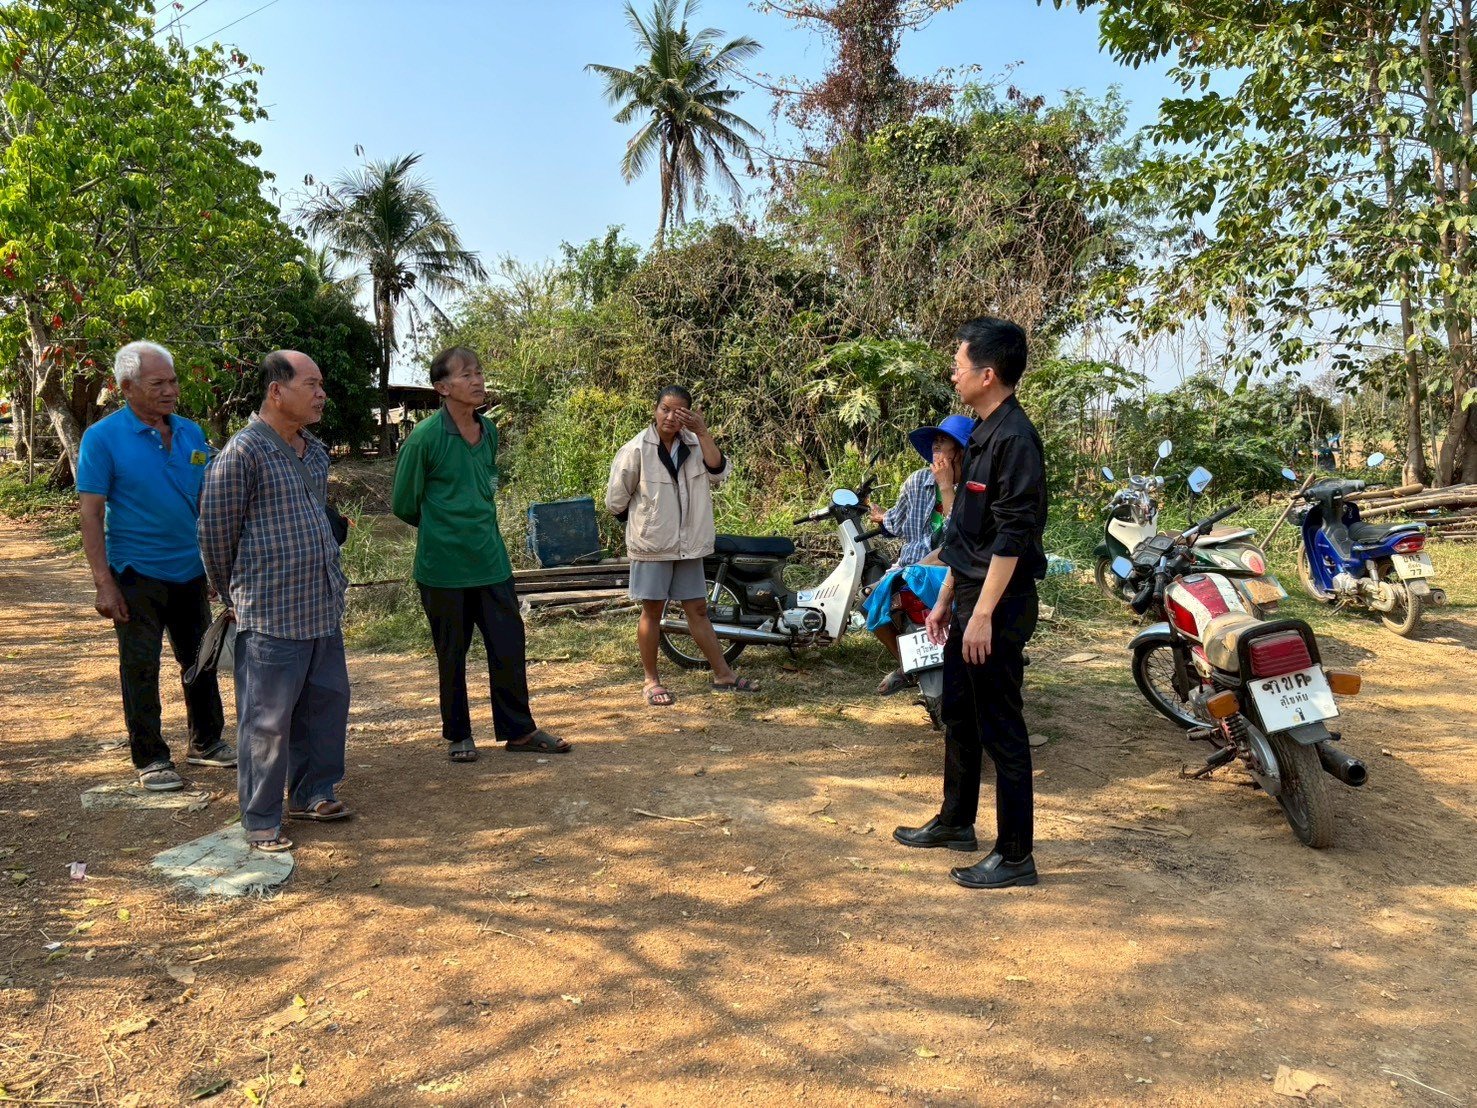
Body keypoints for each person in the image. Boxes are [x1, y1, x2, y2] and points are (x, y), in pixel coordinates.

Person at [893, 316, 1048, 890]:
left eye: (959, 364)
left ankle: (1015, 855)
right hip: (967, 601)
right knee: (959, 711)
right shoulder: (981, 433)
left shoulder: (1015, 440)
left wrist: (981, 613)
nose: (952, 373)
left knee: (1002, 726)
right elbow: (968, 535)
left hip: (998, 606)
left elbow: (1013, 535)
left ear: (988, 374)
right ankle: (957, 821)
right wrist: (946, 601)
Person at [199, 350, 352, 853]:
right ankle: (261, 816)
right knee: (266, 720)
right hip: (270, 612)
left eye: (321, 385)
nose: (321, 394)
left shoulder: (316, 452)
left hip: (321, 605)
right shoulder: (242, 453)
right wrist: (232, 594)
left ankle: (313, 792)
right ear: (276, 391)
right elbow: (215, 534)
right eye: (311, 384)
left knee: (324, 706)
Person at [390, 347, 568, 761]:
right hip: (443, 569)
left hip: (491, 562)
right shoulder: (424, 439)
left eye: (479, 372)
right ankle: (459, 735)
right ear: (442, 387)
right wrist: (443, 528)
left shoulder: (488, 430)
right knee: (452, 654)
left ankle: (519, 731)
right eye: (466, 374)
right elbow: (403, 504)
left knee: (508, 646)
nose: (477, 380)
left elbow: (487, 483)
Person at [75, 341, 233, 791]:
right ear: (127, 387)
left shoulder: (191, 433)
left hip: (190, 569)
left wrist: (214, 566)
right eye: (158, 383)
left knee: (200, 659)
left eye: (173, 381)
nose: (170, 391)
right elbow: (90, 514)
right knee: (140, 665)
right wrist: (104, 583)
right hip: (135, 572)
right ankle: (151, 757)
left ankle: (206, 741)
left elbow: (205, 502)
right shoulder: (102, 438)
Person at [606, 385, 759, 707]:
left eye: (678, 411)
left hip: (690, 545)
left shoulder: (694, 443)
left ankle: (723, 675)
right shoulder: (636, 449)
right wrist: (649, 523)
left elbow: (718, 471)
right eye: (665, 409)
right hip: (652, 545)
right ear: (655, 409)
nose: (670, 417)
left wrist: (702, 432)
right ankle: (651, 681)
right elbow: (616, 500)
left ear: (689, 414)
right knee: (652, 610)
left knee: (698, 610)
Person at [862, 414, 971, 695]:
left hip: (953, 570)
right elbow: (898, 521)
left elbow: (959, 536)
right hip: (910, 567)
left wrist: (946, 486)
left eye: (944, 442)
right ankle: (906, 664)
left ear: (961, 451)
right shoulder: (917, 481)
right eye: (935, 441)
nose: (936, 447)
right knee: (868, 603)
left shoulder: (973, 487)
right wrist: (882, 517)